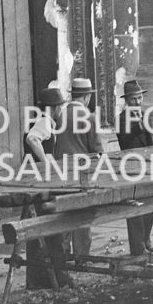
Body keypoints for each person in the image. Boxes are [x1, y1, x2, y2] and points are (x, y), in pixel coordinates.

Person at [23, 87, 73, 290]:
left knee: (38, 233)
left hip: (35, 182)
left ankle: (39, 281)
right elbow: (32, 139)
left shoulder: (40, 120)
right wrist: (47, 165)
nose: (61, 110)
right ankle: (57, 278)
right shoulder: (44, 121)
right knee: (52, 229)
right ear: (53, 108)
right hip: (41, 183)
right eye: (60, 106)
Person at [53, 76, 103, 257]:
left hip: (60, 173)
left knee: (63, 215)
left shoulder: (60, 115)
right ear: (87, 97)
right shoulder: (89, 117)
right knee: (82, 216)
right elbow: (96, 150)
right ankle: (82, 256)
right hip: (81, 174)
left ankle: (63, 254)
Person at [116, 79, 153, 255]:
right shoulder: (121, 119)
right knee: (135, 207)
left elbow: (151, 142)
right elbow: (126, 142)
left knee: (150, 204)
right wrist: (139, 125)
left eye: (140, 98)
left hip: (147, 165)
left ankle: (147, 239)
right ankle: (137, 246)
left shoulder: (144, 115)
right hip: (131, 167)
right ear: (127, 100)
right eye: (134, 99)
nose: (138, 102)